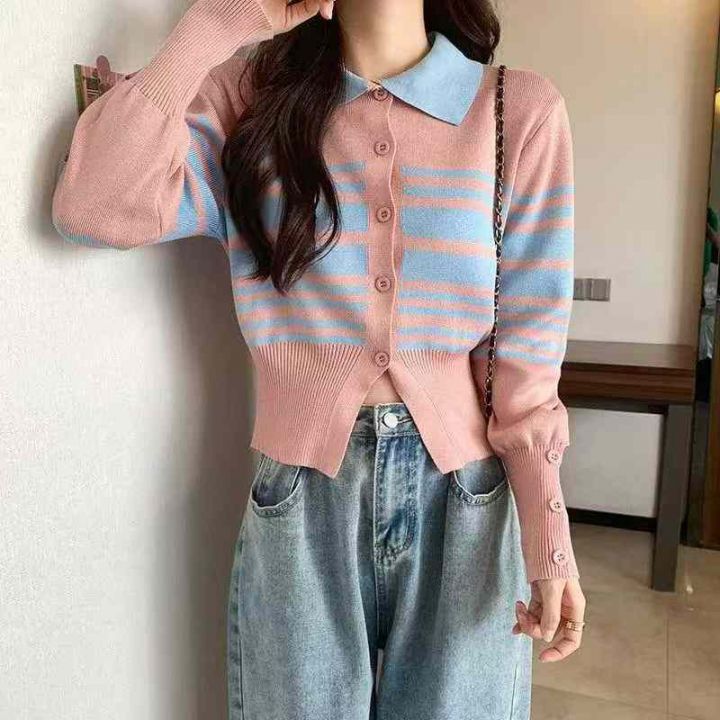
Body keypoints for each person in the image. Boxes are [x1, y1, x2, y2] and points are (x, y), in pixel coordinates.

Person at [52, 1, 587, 717]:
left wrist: (549, 537)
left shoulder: (516, 112)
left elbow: (527, 350)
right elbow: (89, 208)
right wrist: (216, 25)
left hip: (466, 502)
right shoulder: (250, 101)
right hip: (300, 496)